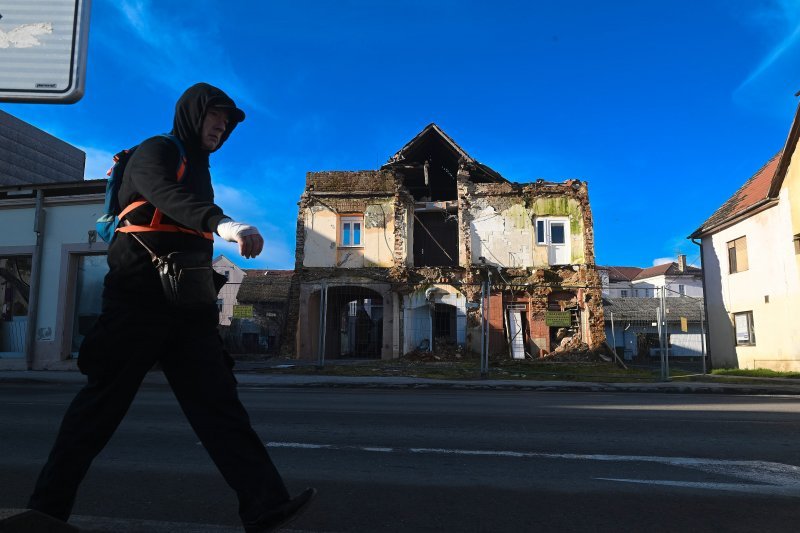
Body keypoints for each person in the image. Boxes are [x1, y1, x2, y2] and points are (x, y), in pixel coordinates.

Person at [27, 83, 315, 532]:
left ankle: (265, 506)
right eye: (215, 115)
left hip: (189, 307)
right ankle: (44, 512)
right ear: (193, 113)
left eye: (228, 121)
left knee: (219, 407)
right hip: (138, 299)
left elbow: (188, 210)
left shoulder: (200, 169)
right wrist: (224, 223)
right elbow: (164, 194)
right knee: (98, 412)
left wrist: (216, 223)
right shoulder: (156, 150)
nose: (222, 125)